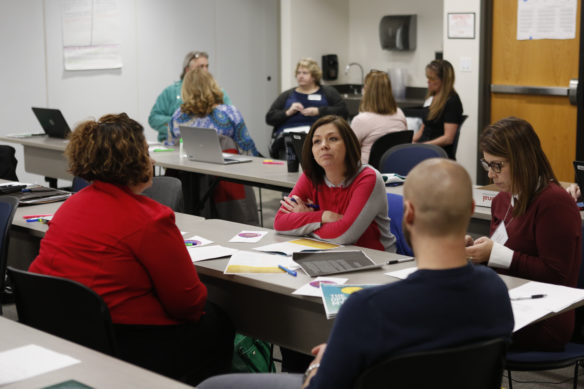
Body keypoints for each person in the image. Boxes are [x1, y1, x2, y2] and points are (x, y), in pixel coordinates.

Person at [197, 158, 514, 389]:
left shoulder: (368, 309)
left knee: (213, 386)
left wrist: (323, 362)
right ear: (471, 210)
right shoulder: (495, 292)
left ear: (408, 212)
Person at [28, 113, 234, 385]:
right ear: (133, 160)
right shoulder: (151, 219)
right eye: (147, 153)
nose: (153, 160)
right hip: (123, 344)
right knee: (219, 322)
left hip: (60, 331)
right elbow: (188, 305)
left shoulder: (69, 206)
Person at [465, 116, 581, 352]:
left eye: (497, 165)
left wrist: (496, 253)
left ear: (522, 161)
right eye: (487, 165)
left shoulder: (554, 203)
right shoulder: (501, 200)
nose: (490, 174)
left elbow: (556, 275)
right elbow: (501, 265)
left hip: (546, 317)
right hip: (509, 302)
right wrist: (475, 251)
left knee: (451, 326)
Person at [273, 115, 396, 252]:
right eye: (317, 141)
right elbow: (279, 223)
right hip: (328, 252)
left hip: (376, 258)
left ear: (348, 145)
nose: (324, 145)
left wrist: (303, 225)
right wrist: (322, 216)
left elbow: (344, 235)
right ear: (311, 150)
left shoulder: (367, 178)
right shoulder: (310, 176)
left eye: (333, 139)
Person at [266, 58, 348, 159]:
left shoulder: (328, 92)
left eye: (305, 73)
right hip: (287, 139)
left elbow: (343, 111)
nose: (300, 76)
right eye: (298, 73)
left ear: (314, 76)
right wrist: (288, 112)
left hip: (318, 137)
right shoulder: (287, 95)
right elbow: (269, 118)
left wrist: (319, 111)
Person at [167, 68, 259, 156]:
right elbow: (247, 150)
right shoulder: (229, 113)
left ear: (185, 90)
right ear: (213, 86)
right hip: (223, 170)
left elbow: (170, 148)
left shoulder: (178, 116)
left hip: (185, 170)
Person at [148, 51, 232, 142]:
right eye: (200, 67)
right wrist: (180, 124)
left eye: (206, 66)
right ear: (187, 70)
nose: (205, 70)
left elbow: (229, 117)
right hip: (175, 144)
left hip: (212, 143)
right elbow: (154, 118)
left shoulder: (218, 92)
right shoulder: (171, 92)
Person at [351, 70, 407, 164]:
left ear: (367, 91)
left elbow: (349, 152)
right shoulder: (399, 113)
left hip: (368, 174)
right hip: (395, 170)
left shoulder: (361, 120)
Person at [412, 59, 464, 159]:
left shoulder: (452, 102)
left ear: (444, 81)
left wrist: (423, 146)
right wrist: (408, 142)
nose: (428, 81)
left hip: (437, 152)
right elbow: (422, 130)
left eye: (432, 79)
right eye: (428, 78)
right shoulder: (432, 97)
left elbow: (448, 138)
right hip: (426, 146)